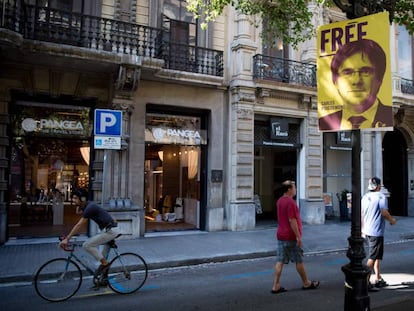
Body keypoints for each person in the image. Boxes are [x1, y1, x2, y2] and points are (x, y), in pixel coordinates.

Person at [319, 39, 393, 131]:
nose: (357, 81)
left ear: (380, 79)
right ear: (335, 81)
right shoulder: (324, 123)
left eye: (365, 71)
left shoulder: (391, 117)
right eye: (347, 72)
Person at [271, 180, 320, 294]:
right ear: (289, 189)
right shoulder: (291, 203)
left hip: (281, 235)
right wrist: (298, 237)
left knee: (280, 260)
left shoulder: (279, 201)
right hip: (291, 236)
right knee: (298, 260)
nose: (296, 189)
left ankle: (275, 285)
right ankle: (306, 283)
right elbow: (292, 220)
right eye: (294, 187)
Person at [59, 188, 121, 275]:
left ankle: (106, 264)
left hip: (110, 231)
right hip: (107, 230)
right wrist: (79, 205)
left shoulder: (90, 207)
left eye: (76, 198)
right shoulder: (87, 206)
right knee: (101, 258)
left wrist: (67, 239)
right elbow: (79, 212)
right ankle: (103, 279)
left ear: (83, 199)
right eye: (73, 198)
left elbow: (79, 225)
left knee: (87, 245)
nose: (73, 200)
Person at [361, 177, 397, 290]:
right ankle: (364, 281)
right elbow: (384, 212)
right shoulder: (381, 196)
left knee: (377, 255)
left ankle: (377, 278)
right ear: (378, 186)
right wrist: (392, 220)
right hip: (376, 231)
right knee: (373, 256)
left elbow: (361, 214)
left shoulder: (365, 197)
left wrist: (362, 229)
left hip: (367, 230)